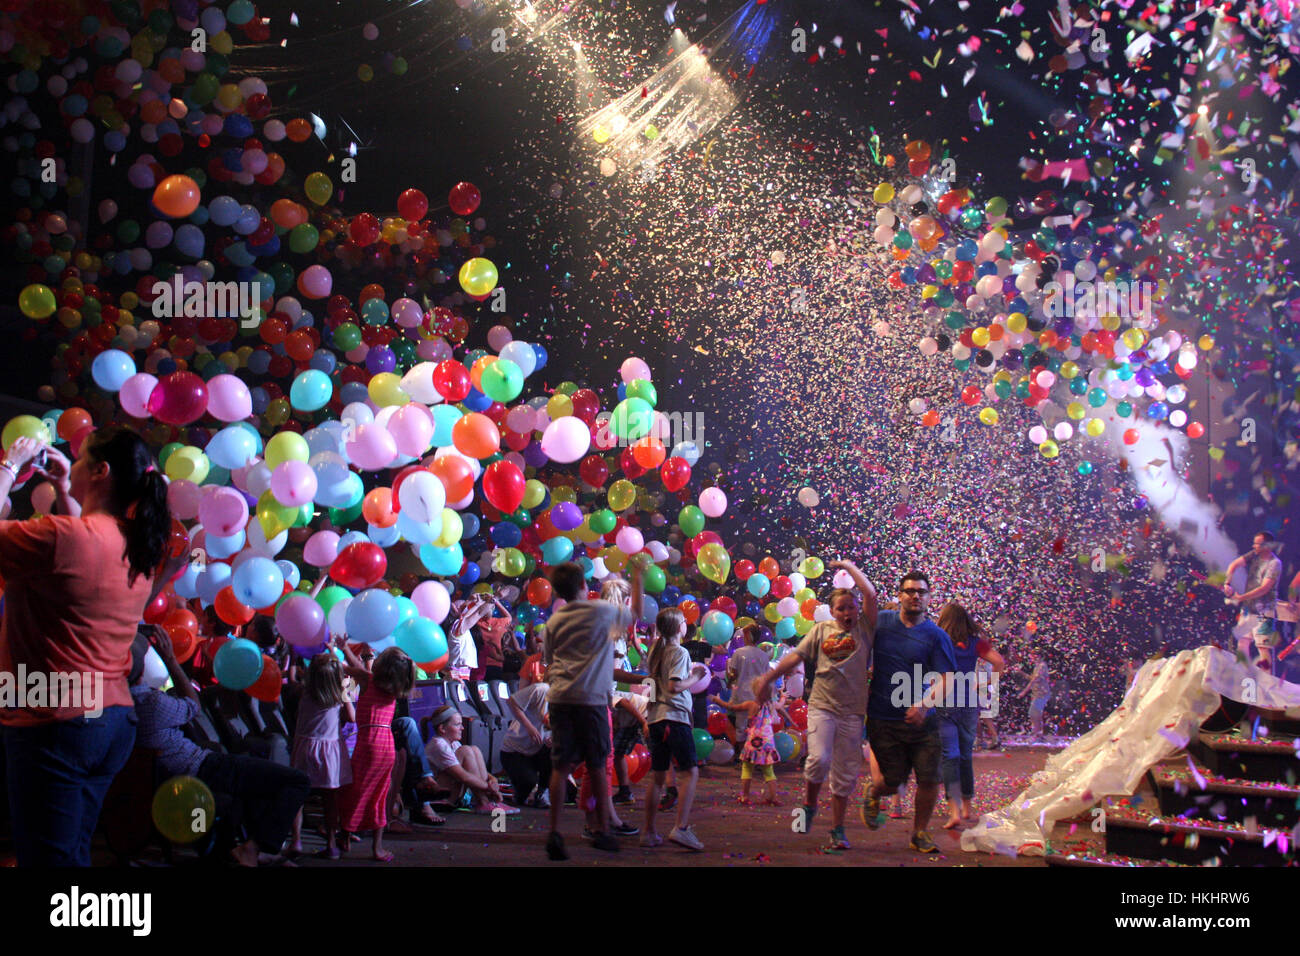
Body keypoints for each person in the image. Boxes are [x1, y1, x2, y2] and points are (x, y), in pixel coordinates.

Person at [0, 427, 177, 867]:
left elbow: (73, 544)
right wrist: (64, 486)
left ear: (100, 471)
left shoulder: (64, 537)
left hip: (54, 718)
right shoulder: (135, 545)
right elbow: (83, 545)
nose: (71, 463)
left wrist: (9, 466)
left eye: (79, 460)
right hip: (109, 720)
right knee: (72, 854)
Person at [132, 626, 310, 866]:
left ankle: (249, 850)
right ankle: (253, 848)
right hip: (201, 768)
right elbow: (192, 705)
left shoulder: (115, 706)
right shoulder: (151, 703)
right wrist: (172, 661)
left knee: (253, 781)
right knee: (297, 781)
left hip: (180, 774)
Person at [755, 559, 877, 851]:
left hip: (852, 711)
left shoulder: (865, 629)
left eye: (851, 607)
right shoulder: (820, 631)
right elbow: (795, 657)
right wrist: (770, 677)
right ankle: (809, 805)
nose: (847, 612)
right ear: (833, 612)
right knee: (819, 760)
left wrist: (849, 567)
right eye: (841, 608)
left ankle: (837, 829)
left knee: (844, 773)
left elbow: (870, 594)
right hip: (823, 707)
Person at [542, 561, 642, 861]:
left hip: (560, 699)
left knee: (561, 768)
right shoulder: (601, 611)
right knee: (598, 766)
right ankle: (602, 831)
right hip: (592, 700)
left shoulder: (554, 622)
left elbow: (550, 660)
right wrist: (638, 576)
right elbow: (635, 614)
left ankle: (556, 832)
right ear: (584, 586)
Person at [860, 571, 957, 855]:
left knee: (929, 778)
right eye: (910, 591)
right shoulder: (883, 623)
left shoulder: (937, 636)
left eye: (922, 592)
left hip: (923, 722)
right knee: (891, 783)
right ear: (900, 595)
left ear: (929, 598)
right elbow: (862, 615)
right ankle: (875, 792)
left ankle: (920, 833)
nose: (916, 596)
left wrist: (924, 704)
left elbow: (947, 678)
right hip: (883, 719)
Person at [336, 643, 416, 862]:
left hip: (368, 743)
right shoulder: (395, 689)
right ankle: (377, 847)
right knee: (380, 795)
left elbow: (348, 669)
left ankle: (345, 832)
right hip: (386, 745)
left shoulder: (369, 681)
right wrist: (347, 650)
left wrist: (341, 651)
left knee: (356, 791)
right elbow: (358, 668)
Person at [641, 606, 709, 851]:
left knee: (658, 778)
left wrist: (649, 717)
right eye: (683, 620)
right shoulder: (679, 652)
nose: (685, 624)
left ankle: (648, 832)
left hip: (657, 719)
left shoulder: (654, 653)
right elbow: (674, 687)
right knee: (690, 773)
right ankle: (680, 829)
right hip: (674, 719)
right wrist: (696, 677)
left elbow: (651, 685)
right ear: (678, 627)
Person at [934, 602, 1004, 829]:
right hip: (968, 703)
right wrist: (985, 687)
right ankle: (966, 808)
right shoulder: (975, 643)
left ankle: (953, 810)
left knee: (949, 756)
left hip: (944, 702)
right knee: (965, 756)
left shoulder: (939, 641)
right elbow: (999, 662)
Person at [289, 651, 354, 858]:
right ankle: (331, 844)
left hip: (305, 749)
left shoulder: (304, 691)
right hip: (330, 751)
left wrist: (292, 656)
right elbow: (352, 717)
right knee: (330, 800)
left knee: (298, 797)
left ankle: (296, 841)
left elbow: (292, 679)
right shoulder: (340, 694)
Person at [424, 705, 517, 815]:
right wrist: (490, 788)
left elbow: (472, 771)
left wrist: (492, 780)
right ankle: (484, 801)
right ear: (442, 728)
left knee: (474, 749)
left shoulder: (454, 744)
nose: (462, 728)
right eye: (457, 724)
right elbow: (463, 776)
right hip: (439, 798)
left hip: (454, 794)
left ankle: (488, 800)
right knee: (466, 750)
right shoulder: (438, 745)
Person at [710, 690, 793, 805]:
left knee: (747, 768)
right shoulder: (771, 704)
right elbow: (781, 704)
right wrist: (783, 696)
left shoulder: (750, 704)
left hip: (754, 742)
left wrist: (717, 700)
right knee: (769, 771)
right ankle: (773, 797)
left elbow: (731, 707)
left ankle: (745, 796)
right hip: (767, 742)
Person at [1223, 532, 1284, 671]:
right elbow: (1234, 564)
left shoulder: (1274, 564)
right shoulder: (1254, 555)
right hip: (1248, 609)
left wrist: (1241, 597)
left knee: (1262, 646)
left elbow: (1264, 588)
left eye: (1258, 543)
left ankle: (1266, 680)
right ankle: (1243, 673)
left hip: (1264, 610)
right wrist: (1227, 583)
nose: (1254, 546)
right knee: (1243, 642)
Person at [499, 660, 552, 808]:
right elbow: (512, 702)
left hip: (539, 749)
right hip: (515, 750)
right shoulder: (540, 689)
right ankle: (521, 790)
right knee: (527, 783)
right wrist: (529, 726)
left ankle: (542, 791)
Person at [725, 624, 771, 752]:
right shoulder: (763, 655)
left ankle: (743, 756)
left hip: (742, 695)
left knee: (741, 727)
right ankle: (755, 754)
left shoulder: (739, 653)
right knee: (756, 727)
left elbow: (734, 674)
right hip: (757, 696)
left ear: (748, 636)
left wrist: (729, 682)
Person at [1016, 651, 1050, 736]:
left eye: (1036, 655)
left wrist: (1024, 692)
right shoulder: (1037, 666)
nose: (1033, 657)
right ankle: (1038, 732)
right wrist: (1022, 673)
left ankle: (1037, 731)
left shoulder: (1042, 666)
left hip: (1042, 693)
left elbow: (1034, 680)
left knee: (1033, 712)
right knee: (1036, 713)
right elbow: (1032, 678)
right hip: (1037, 693)